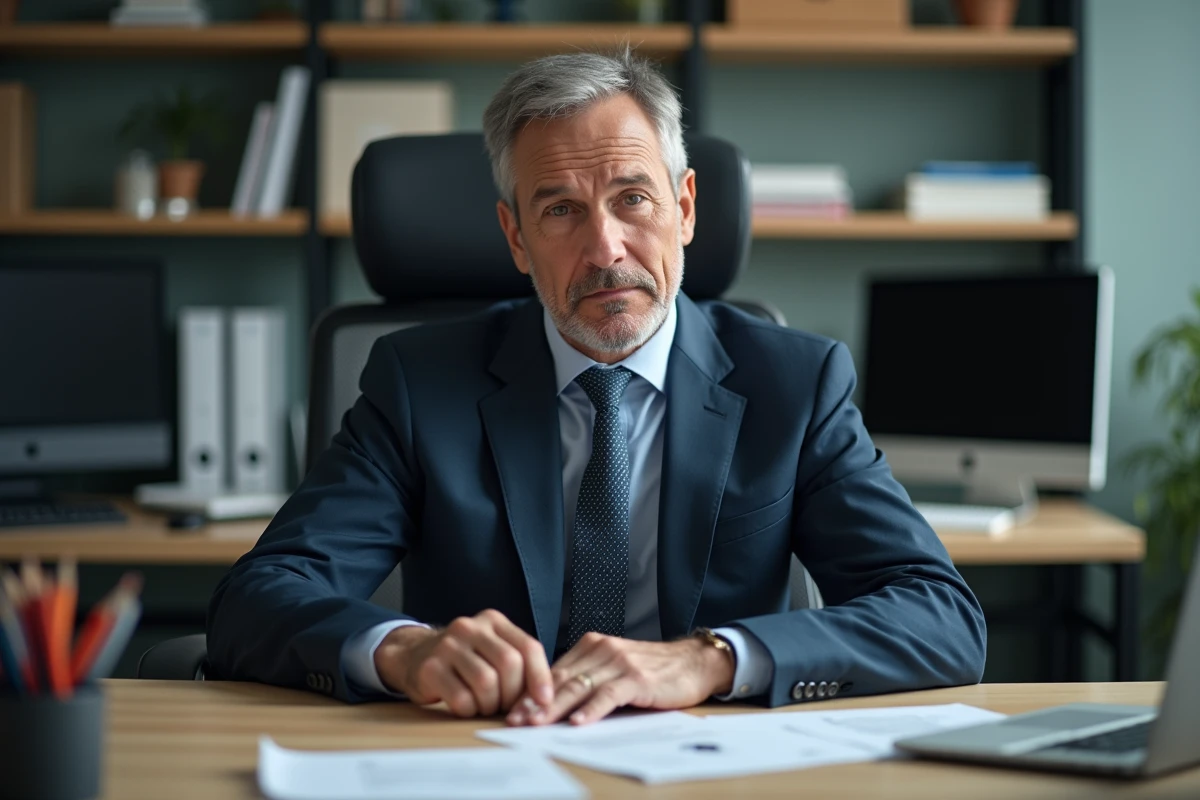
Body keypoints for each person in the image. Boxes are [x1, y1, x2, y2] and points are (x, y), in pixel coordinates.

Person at [207, 48, 986, 727]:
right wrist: (405, 651)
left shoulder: (795, 384)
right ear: (516, 237)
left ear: (683, 208)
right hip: (484, 757)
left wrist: (712, 659)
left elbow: (940, 616)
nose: (605, 247)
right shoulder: (419, 384)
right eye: (560, 211)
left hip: (714, 765)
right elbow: (257, 598)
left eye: (632, 199)